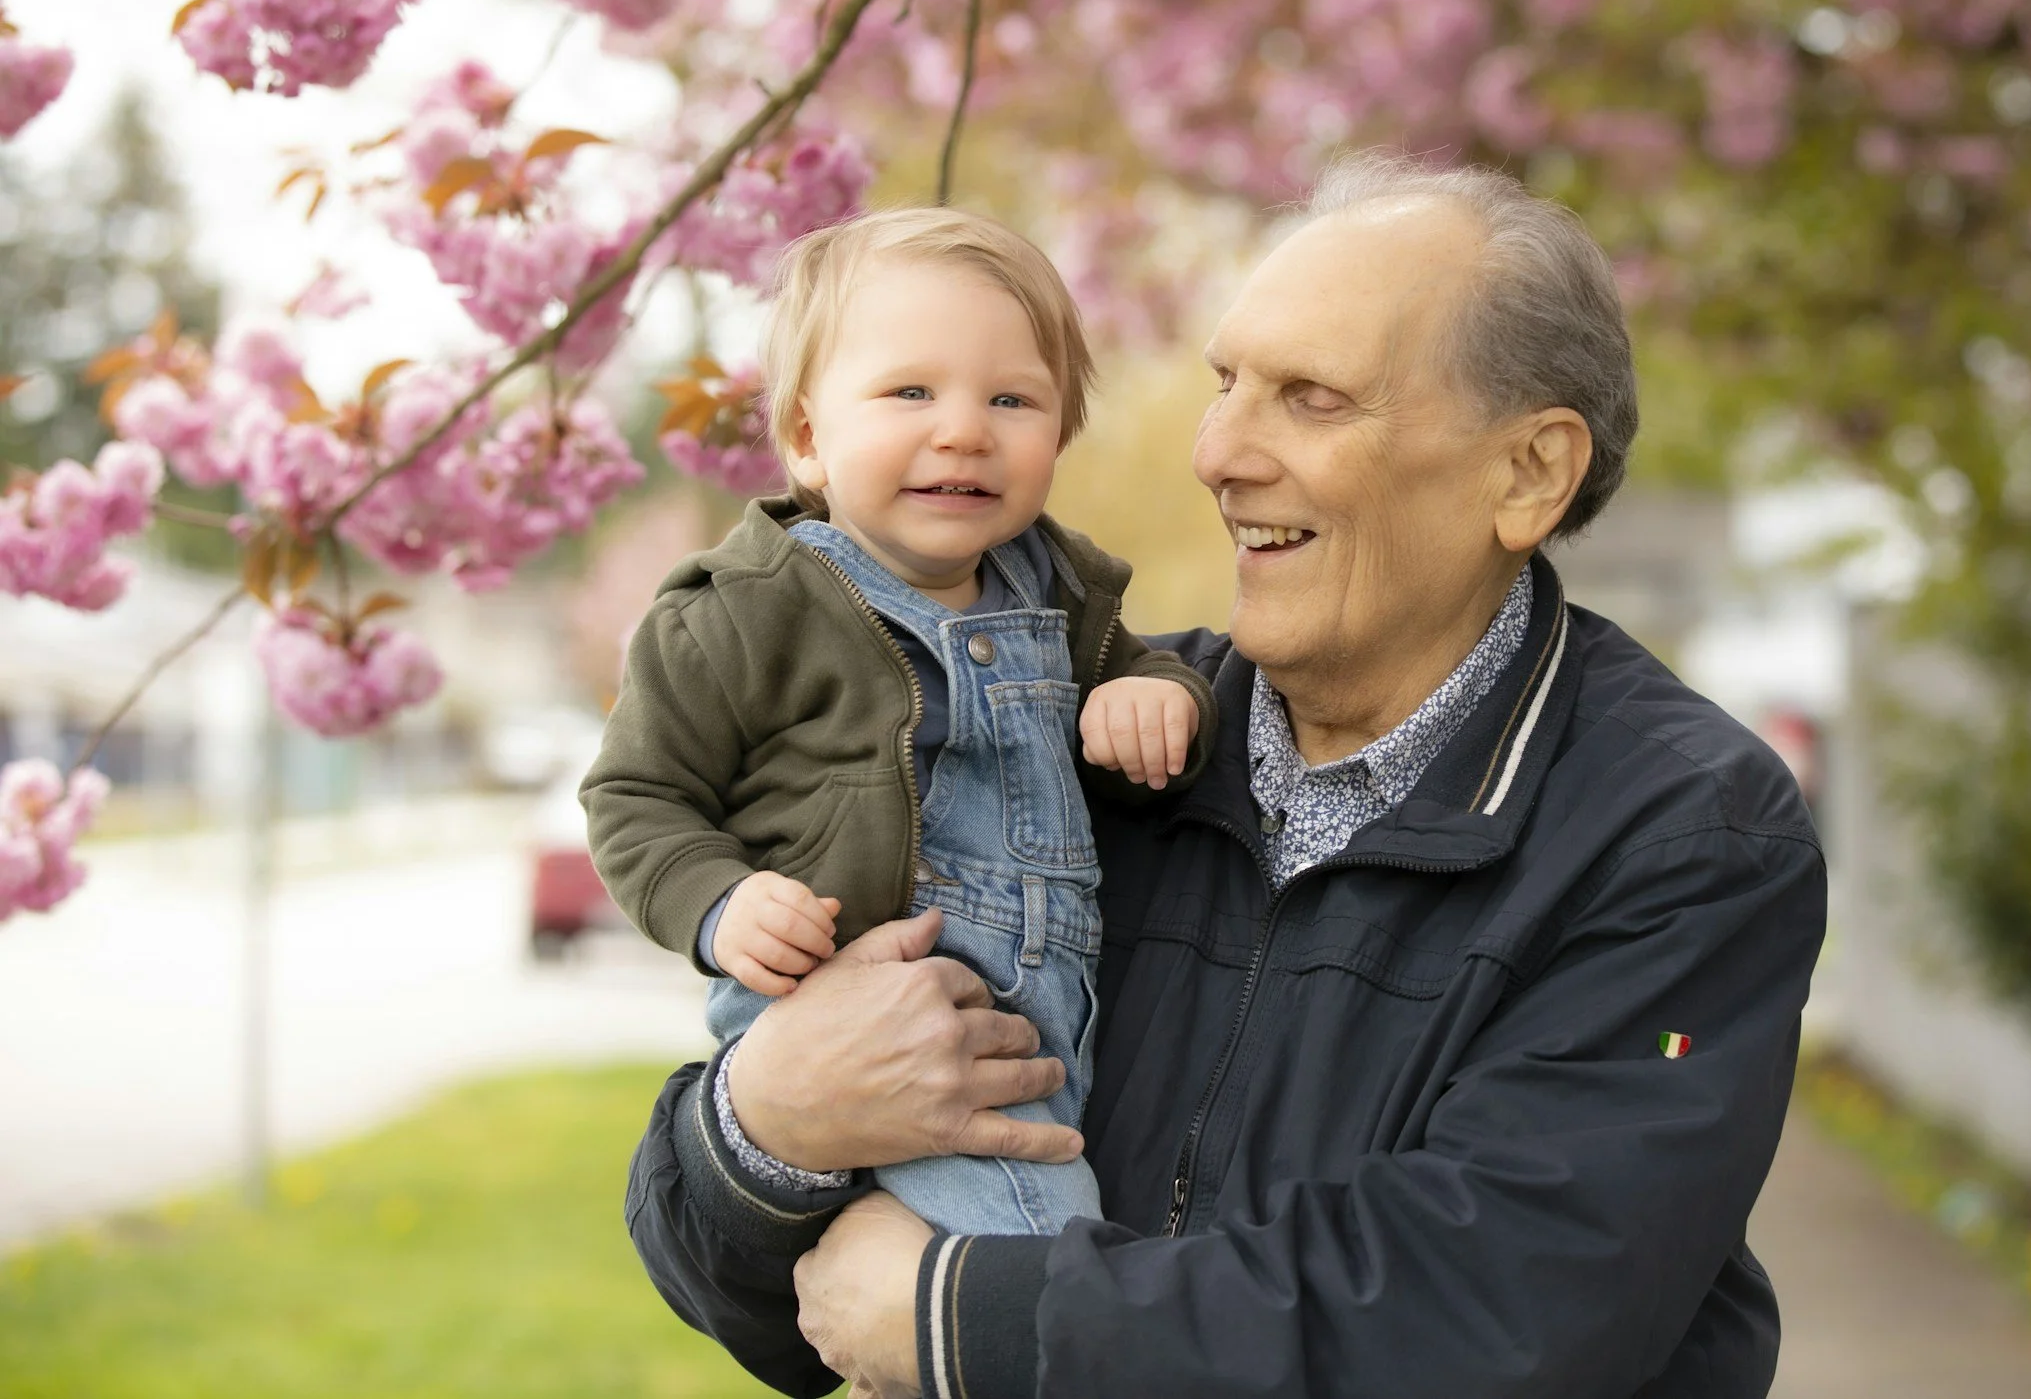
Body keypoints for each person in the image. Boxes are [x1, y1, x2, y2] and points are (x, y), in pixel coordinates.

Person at [623, 154, 1827, 1399]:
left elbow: (1500, 1306)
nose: (1216, 451)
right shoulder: (1079, 739)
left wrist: (959, 1315)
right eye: (1225, 384)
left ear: (1526, 472)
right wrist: (767, 1125)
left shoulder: (1680, 832)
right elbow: (735, 1283)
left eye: (1310, 397)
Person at [585, 207, 1215, 1240]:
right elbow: (635, 793)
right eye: (909, 391)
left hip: (1044, 1025)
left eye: (1011, 398)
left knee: (997, 1276)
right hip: (858, 1017)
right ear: (805, 435)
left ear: (1058, 432)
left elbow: (1132, 696)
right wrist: (718, 900)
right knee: (1040, 1263)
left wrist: (1157, 699)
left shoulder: (1061, 594)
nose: (963, 428)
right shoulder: (744, 610)